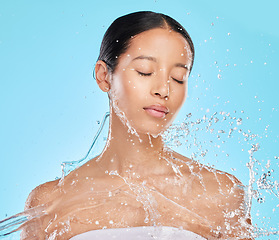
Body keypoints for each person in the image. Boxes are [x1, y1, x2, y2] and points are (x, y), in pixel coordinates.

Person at [22, 11, 252, 239]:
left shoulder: (221, 194)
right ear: (104, 76)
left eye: (178, 77)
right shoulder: (49, 203)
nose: (163, 90)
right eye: (145, 72)